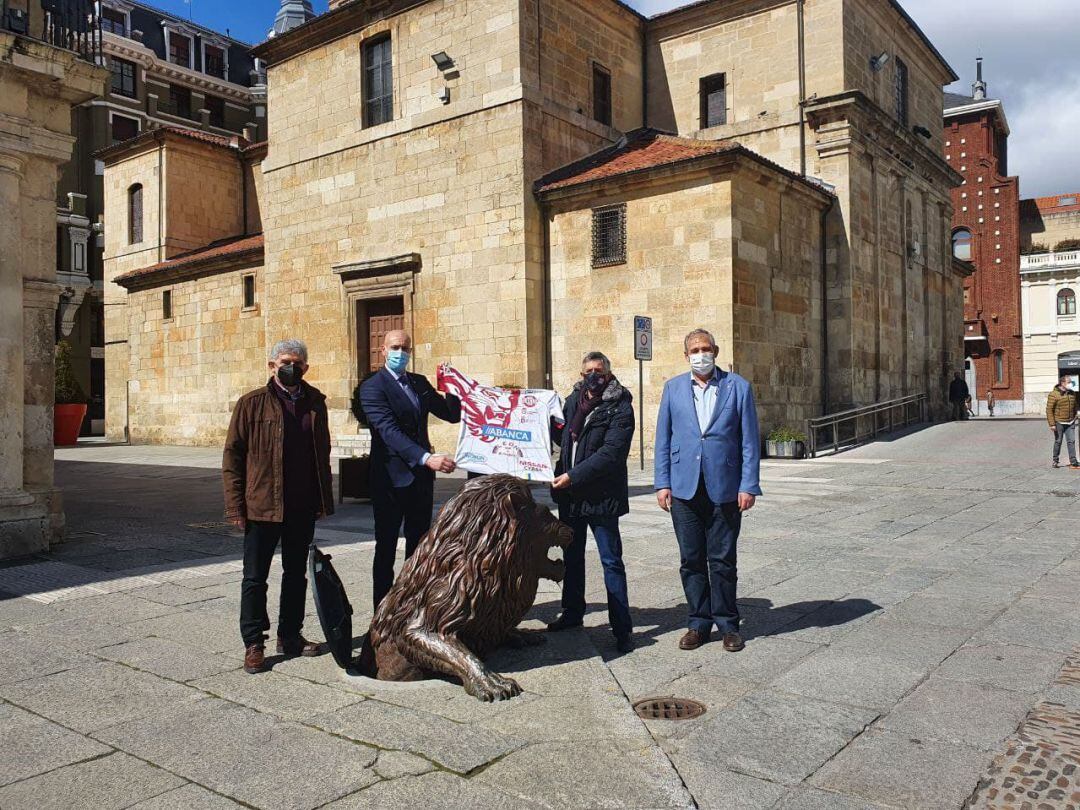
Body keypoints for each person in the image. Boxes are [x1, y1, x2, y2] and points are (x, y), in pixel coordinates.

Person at [224, 339, 334, 674]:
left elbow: (322, 453)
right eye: (285, 361)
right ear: (272, 365)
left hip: (301, 504)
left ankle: (290, 636)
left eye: (297, 362)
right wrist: (235, 506)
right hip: (262, 505)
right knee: (255, 578)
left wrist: (322, 499)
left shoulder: (315, 402)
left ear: (306, 368)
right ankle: (254, 643)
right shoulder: (251, 403)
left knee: (296, 574)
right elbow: (233, 456)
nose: (291, 367)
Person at [654, 329, 762, 653]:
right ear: (686, 355)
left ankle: (728, 624)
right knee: (691, 559)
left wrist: (748, 484)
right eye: (695, 350)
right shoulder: (673, 388)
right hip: (684, 488)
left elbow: (749, 441)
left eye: (706, 348)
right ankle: (698, 623)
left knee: (723, 560)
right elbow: (663, 439)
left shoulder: (738, 387)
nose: (701, 354)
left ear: (715, 350)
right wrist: (662, 483)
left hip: (725, 486)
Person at [359, 330, 461, 609]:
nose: (400, 353)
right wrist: (426, 457)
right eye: (395, 347)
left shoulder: (419, 383)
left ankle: (412, 606)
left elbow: (451, 415)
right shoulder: (372, 387)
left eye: (405, 348)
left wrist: (451, 385)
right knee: (386, 547)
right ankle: (382, 611)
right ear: (383, 350)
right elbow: (388, 431)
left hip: (419, 481)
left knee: (418, 548)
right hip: (390, 481)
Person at [547, 351, 635, 654]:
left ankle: (622, 628)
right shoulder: (574, 400)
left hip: (601, 497)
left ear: (608, 373)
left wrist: (572, 476)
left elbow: (611, 454)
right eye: (588, 372)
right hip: (571, 498)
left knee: (611, 561)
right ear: (581, 374)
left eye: (599, 371)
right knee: (572, 557)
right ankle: (572, 613)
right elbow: (563, 438)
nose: (593, 376)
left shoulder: (620, 405)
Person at [1046, 375, 1080, 469]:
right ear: (1062, 383)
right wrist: (1052, 424)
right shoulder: (1054, 394)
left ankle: (1073, 461)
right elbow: (1049, 409)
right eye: (1069, 382)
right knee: (1058, 441)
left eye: (1071, 382)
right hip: (1059, 422)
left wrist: (1076, 414)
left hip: (1070, 422)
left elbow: (1075, 405)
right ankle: (1055, 461)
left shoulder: (1072, 393)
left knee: (1071, 441)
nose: (1071, 384)